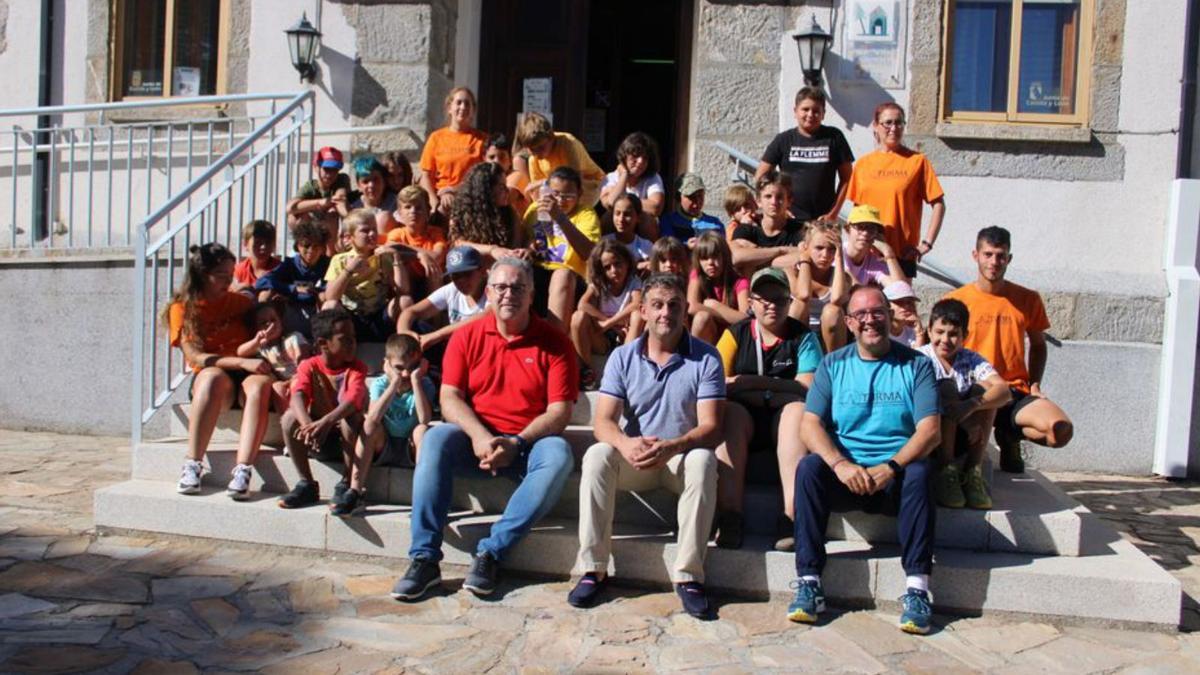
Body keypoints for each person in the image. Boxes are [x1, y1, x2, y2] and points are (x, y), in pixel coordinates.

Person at [390, 257, 577, 600]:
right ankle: (424, 560)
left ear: (532, 293)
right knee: (434, 439)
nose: (509, 295)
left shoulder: (556, 342)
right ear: (488, 292)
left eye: (518, 288)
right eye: (501, 287)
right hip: (475, 440)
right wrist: (480, 436)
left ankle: (491, 552)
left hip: (527, 445)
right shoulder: (467, 336)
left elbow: (560, 412)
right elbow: (449, 398)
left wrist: (516, 442)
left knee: (559, 453)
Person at [569, 273, 724, 617]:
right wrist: (625, 444)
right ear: (643, 310)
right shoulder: (622, 357)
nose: (665, 313)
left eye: (674, 305)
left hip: (677, 460)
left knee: (702, 460)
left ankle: (688, 577)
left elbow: (712, 427)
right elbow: (603, 422)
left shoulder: (707, 358)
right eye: (657, 305)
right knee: (597, 454)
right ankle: (593, 568)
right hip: (636, 457)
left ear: (685, 310)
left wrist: (674, 445)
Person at [789, 285, 940, 633]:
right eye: (861, 315)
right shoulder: (833, 365)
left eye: (877, 312)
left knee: (920, 472)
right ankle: (809, 582)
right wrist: (840, 465)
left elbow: (930, 430)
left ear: (890, 317)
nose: (870, 320)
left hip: (895, 478)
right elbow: (810, 425)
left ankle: (917, 589)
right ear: (849, 322)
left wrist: (891, 467)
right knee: (810, 467)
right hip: (848, 476)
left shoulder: (917, 365)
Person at [944, 226, 1074, 473]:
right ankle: (971, 471)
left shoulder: (1027, 299)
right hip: (974, 391)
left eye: (1001, 256)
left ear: (1009, 259)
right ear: (976, 255)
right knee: (986, 396)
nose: (994, 262)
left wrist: (1035, 384)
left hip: (1014, 389)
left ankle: (1009, 435)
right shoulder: (956, 300)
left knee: (1059, 432)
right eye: (988, 254)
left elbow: (1038, 345)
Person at [715, 268, 823, 551]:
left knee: (796, 413)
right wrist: (777, 388)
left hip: (783, 417)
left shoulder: (803, 337)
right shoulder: (735, 334)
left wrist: (749, 384)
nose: (771, 305)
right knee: (731, 415)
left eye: (779, 299)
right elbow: (718, 384)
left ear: (790, 302)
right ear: (750, 302)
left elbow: (807, 388)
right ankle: (730, 515)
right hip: (745, 416)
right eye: (763, 299)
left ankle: (791, 516)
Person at [166, 243, 274, 500]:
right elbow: (195, 356)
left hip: (247, 370)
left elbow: (260, 305)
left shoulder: (238, 302)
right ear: (203, 275)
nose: (229, 281)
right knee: (212, 378)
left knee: (259, 386)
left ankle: (243, 470)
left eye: (231, 275)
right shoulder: (182, 308)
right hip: (216, 374)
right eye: (222, 276)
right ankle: (193, 463)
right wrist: (240, 362)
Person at [919, 299, 1011, 510]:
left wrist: (971, 405)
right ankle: (946, 470)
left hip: (969, 435)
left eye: (953, 334)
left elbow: (1003, 390)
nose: (945, 340)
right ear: (929, 331)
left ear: (964, 336)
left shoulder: (971, 358)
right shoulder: (920, 358)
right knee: (945, 387)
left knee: (986, 389)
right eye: (939, 332)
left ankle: (972, 471)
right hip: (934, 436)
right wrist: (964, 420)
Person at [278, 307, 369, 509]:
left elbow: (353, 399)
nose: (352, 343)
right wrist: (308, 426)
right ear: (323, 344)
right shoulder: (309, 365)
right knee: (289, 418)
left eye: (353, 337)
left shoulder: (357, 367)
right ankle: (306, 483)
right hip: (318, 439)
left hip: (349, 442)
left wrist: (327, 421)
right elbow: (298, 395)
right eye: (344, 339)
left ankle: (346, 481)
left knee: (351, 417)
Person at [847, 103, 945, 279]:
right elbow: (857, 212)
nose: (894, 128)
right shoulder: (863, 164)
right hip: (867, 252)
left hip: (901, 253)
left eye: (899, 123)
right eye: (888, 123)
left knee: (899, 304)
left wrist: (927, 244)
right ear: (876, 126)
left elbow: (938, 204)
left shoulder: (917, 162)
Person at [342, 334, 436, 515]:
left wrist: (416, 381)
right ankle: (355, 490)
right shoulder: (380, 384)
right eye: (399, 368)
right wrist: (393, 383)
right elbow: (372, 418)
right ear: (387, 365)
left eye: (413, 367)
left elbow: (424, 418)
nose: (406, 374)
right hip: (383, 445)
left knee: (422, 430)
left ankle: (422, 496)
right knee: (369, 426)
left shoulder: (424, 384)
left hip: (410, 447)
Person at [756, 87, 854, 222]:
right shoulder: (783, 140)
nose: (810, 114)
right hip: (790, 220)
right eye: (805, 109)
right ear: (795, 111)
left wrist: (834, 213)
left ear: (823, 113)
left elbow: (847, 179)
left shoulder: (834, 137)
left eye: (816, 111)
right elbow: (761, 176)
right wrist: (780, 209)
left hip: (823, 220)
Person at [524, 166, 602, 330]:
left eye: (567, 196)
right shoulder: (534, 210)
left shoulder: (586, 215)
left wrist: (559, 217)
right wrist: (529, 248)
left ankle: (556, 343)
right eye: (555, 194)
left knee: (562, 275)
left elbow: (589, 253)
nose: (560, 200)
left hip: (571, 280)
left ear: (579, 194)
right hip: (537, 274)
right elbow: (522, 241)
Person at [323, 209, 408, 342]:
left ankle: (402, 346)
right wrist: (348, 271)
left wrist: (396, 258)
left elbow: (403, 290)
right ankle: (339, 351)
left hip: (379, 316)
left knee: (405, 300)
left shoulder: (383, 256)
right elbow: (330, 296)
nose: (372, 234)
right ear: (350, 237)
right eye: (365, 230)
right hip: (352, 319)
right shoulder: (339, 260)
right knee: (330, 306)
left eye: (374, 229)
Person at [571, 239, 645, 389]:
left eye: (618, 264)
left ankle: (625, 369)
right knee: (578, 317)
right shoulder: (598, 283)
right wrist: (608, 323)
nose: (614, 270)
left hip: (625, 336)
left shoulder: (634, 281)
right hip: (602, 337)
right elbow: (582, 305)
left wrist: (609, 324)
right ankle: (587, 371)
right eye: (607, 267)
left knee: (637, 314)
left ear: (627, 263)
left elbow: (637, 304)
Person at [397, 245, 489, 352]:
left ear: (482, 271)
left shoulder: (494, 290)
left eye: (467, 274)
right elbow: (411, 311)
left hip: (480, 349)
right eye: (456, 276)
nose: (461, 281)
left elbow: (485, 316)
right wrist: (404, 332)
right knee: (415, 327)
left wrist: (436, 336)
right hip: (455, 347)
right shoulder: (451, 289)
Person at [254, 220, 331, 338]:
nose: (311, 250)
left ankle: (323, 338)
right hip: (291, 307)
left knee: (325, 297)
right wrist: (293, 288)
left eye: (316, 246)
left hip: (315, 308)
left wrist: (315, 291)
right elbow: (262, 282)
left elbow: (328, 289)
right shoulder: (290, 264)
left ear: (322, 248)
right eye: (306, 245)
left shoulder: (327, 265)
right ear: (298, 246)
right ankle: (265, 336)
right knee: (265, 294)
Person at [419, 87, 488, 213]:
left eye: (467, 104)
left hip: (471, 199)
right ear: (450, 108)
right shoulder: (436, 138)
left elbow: (485, 176)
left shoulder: (482, 140)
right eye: (459, 102)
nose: (463, 107)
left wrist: (453, 190)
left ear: (473, 110)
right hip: (440, 201)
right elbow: (426, 176)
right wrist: (433, 201)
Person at [516, 112, 606, 208]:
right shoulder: (533, 159)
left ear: (551, 137)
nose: (536, 153)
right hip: (560, 189)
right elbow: (537, 191)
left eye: (541, 147)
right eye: (532, 149)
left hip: (590, 184)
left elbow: (574, 180)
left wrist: (543, 182)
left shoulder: (567, 143)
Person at [236, 301, 310, 414]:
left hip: (302, 377)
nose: (270, 325)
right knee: (277, 388)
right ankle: (289, 424)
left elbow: (305, 363)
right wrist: (256, 341)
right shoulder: (262, 346)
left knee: (295, 385)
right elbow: (240, 352)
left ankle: (303, 418)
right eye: (263, 322)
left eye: (273, 320)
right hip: (283, 383)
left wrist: (293, 379)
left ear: (281, 321)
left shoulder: (294, 338)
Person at [448, 161, 526, 262]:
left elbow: (515, 246)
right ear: (488, 190)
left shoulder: (510, 213)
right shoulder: (462, 212)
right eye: (502, 186)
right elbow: (458, 243)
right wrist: (492, 250)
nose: (507, 190)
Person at [730, 173, 806, 274]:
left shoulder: (799, 229)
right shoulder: (746, 229)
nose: (773, 202)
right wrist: (781, 251)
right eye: (768, 196)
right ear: (758, 201)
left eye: (780, 197)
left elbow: (805, 256)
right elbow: (736, 257)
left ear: (789, 201)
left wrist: (756, 257)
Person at [794, 219, 850, 353]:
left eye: (832, 249)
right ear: (806, 246)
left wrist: (839, 257)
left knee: (833, 311)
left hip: (830, 339)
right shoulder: (792, 272)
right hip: (800, 334)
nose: (825, 255)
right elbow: (803, 294)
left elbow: (837, 299)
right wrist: (804, 259)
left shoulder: (841, 276)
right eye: (819, 248)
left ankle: (833, 366)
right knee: (798, 305)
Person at [599, 132, 666, 238]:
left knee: (646, 219)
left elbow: (655, 208)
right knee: (608, 217)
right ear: (625, 156)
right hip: (617, 227)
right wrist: (624, 175)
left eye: (645, 158)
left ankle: (649, 253)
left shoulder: (653, 177)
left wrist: (626, 204)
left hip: (642, 227)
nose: (640, 161)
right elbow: (609, 203)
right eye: (635, 156)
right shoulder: (611, 177)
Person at [287, 146, 352, 252]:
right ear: (316, 167)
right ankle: (305, 247)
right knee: (293, 217)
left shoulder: (342, 179)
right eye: (326, 169)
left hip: (336, 227)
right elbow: (290, 207)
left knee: (332, 213)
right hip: (316, 225)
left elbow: (340, 198)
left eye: (334, 170)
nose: (330, 174)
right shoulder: (311, 186)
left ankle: (329, 254)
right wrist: (320, 202)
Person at [688, 232, 749, 344]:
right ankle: (693, 358)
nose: (710, 263)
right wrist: (718, 312)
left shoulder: (740, 282)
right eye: (704, 258)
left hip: (731, 338)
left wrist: (716, 306)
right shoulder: (697, 275)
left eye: (715, 256)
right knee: (702, 317)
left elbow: (746, 319)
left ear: (725, 257)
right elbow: (692, 307)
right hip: (707, 336)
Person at [386, 185, 448, 295]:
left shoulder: (435, 232)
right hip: (408, 284)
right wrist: (419, 255)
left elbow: (437, 257)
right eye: (407, 207)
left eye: (418, 207)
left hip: (432, 282)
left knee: (433, 269)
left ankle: (435, 310)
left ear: (428, 211)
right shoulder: (397, 234)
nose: (413, 211)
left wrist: (407, 250)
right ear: (400, 212)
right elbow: (389, 249)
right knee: (400, 263)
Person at [843, 205, 906, 287]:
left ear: (877, 235)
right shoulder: (838, 253)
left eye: (871, 229)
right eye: (860, 227)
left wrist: (889, 253)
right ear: (848, 230)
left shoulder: (873, 260)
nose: (865, 233)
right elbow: (853, 287)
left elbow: (901, 291)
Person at [659, 173, 725, 243]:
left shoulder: (715, 224)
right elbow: (667, 248)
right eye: (691, 197)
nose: (697, 201)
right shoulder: (669, 221)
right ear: (678, 197)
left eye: (700, 196)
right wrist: (685, 246)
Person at [603, 193, 654, 271]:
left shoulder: (647, 247)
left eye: (627, 214)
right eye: (617, 213)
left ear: (638, 217)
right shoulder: (603, 243)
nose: (621, 219)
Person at [350, 156, 399, 237]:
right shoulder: (354, 207)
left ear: (384, 181)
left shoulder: (396, 203)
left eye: (376, 179)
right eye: (365, 181)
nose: (371, 185)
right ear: (359, 185)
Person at [485, 133, 529, 216]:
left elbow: (502, 199)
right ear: (484, 159)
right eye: (491, 157)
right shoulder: (484, 178)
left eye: (502, 157)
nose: (496, 161)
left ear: (510, 160)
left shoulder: (517, 176)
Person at [232, 220, 281, 293]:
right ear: (246, 244)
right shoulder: (239, 271)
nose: (263, 247)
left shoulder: (281, 269)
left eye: (268, 242)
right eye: (258, 242)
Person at [884, 280, 927, 348]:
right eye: (899, 301)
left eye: (910, 302)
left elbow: (918, 357)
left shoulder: (912, 330)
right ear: (886, 304)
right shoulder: (881, 331)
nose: (907, 306)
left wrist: (919, 334)